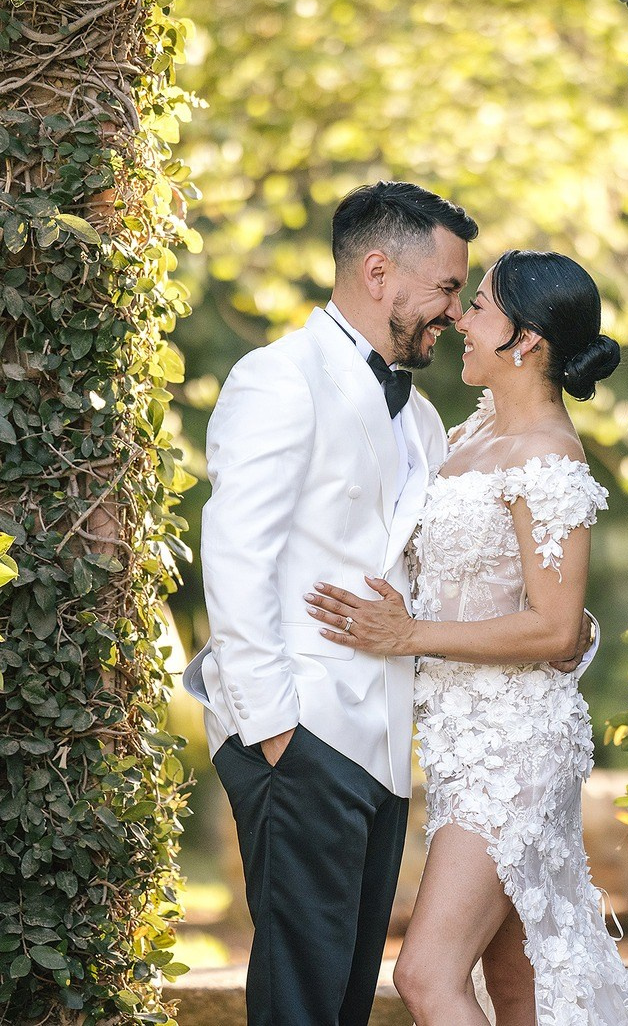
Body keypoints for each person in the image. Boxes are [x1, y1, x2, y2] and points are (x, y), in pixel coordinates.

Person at [182, 183, 591, 1026]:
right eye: (448, 290)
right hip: (301, 735)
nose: (452, 311)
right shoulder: (278, 379)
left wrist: (567, 628)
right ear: (379, 272)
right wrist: (271, 730)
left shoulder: (429, 422)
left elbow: (451, 575)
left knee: (341, 996)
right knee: (303, 996)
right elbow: (234, 555)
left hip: (389, 745)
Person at [307, 249, 628, 1026]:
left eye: (481, 307)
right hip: (463, 745)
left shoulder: (550, 459)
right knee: (519, 987)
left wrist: (407, 633)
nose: (459, 317)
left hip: (517, 749)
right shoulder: (472, 433)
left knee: (426, 976)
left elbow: (557, 623)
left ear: (525, 340)